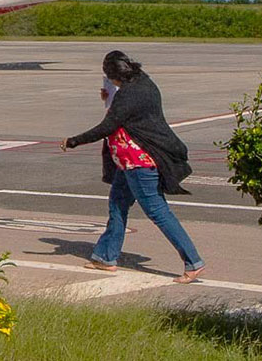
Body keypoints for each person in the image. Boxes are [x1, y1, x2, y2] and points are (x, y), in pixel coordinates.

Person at [60, 51, 205, 284]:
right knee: (117, 204)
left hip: (139, 163)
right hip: (127, 163)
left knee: (158, 211)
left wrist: (74, 141)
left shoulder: (128, 94)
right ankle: (105, 256)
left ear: (114, 76)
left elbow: (108, 126)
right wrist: (111, 98)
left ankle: (193, 261)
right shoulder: (144, 83)